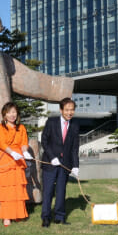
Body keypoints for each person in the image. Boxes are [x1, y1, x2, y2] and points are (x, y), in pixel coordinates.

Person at [40, 97, 80, 227]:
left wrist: (75, 166)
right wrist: (52, 157)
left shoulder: (74, 126)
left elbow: (74, 148)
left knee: (61, 191)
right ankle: (46, 217)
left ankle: (60, 216)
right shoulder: (51, 122)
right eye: (67, 110)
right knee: (48, 191)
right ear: (61, 110)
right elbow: (44, 141)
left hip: (65, 164)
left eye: (72, 110)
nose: (70, 112)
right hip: (50, 163)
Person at [0, 102, 31, 226]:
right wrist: (11, 152)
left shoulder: (21, 128)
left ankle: (18, 214)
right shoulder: (1, 128)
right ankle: (7, 216)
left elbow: (24, 142)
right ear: (4, 114)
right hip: (6, 159)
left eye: (14, 112)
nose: (12, 115)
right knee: (6, 189)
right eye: (9, 112)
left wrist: (25, 152)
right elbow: (1, 144)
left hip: (18, 160)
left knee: (17, 188)